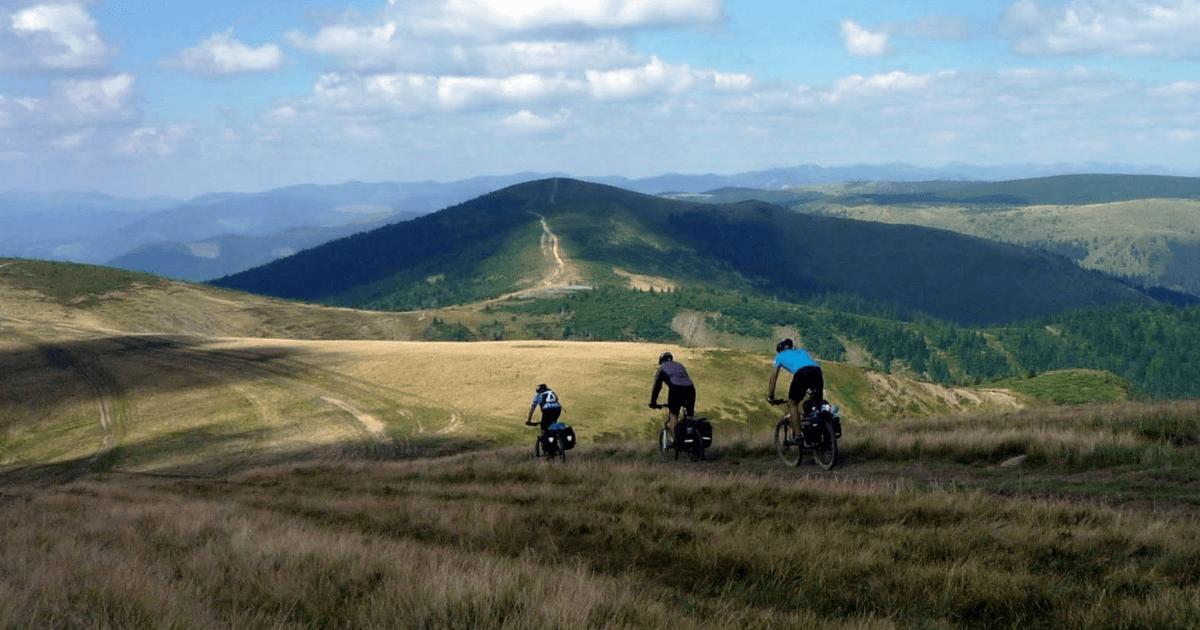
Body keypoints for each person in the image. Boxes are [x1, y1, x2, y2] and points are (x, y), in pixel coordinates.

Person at [767, 338, 824, 426]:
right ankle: (821, 426)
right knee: (816, 401)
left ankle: (798, 434)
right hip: (817, 371)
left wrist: (771, 397)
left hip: (802, 372)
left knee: (792, 403)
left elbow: (773, 379)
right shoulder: (802, 351)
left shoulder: (779, 356)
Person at [648, 351, 695, 437]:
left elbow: (657, 387)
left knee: (673, 414)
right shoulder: (680, 365)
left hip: (676, 389)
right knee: (690, 415)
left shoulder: (662, 368)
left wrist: (653, 402)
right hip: (690, 389)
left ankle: (673, 439)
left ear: (661, 361)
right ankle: (693, 436)